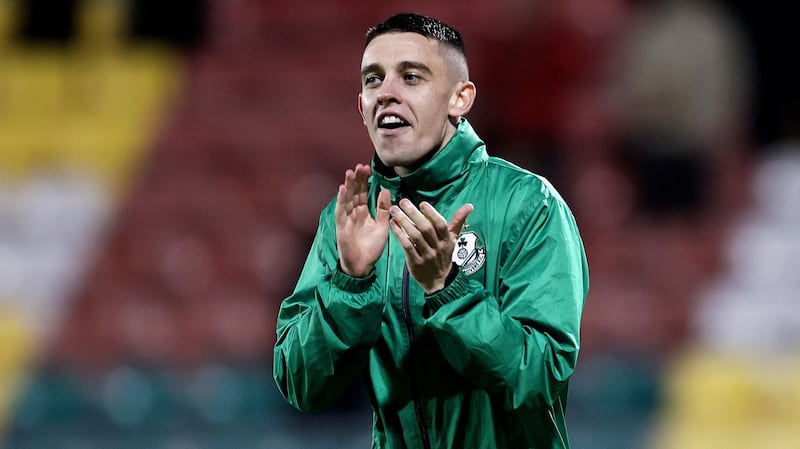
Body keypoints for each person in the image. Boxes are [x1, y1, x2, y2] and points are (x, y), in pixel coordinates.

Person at [273, 12, 589, 449]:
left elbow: (539, 375)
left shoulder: (529, 204)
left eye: (411, 77)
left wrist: (447, 288)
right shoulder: (349, 218)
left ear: (459, 98)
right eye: (373, 80)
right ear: (361, 106)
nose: (386, 92)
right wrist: (350, 284)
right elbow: (301, 386)